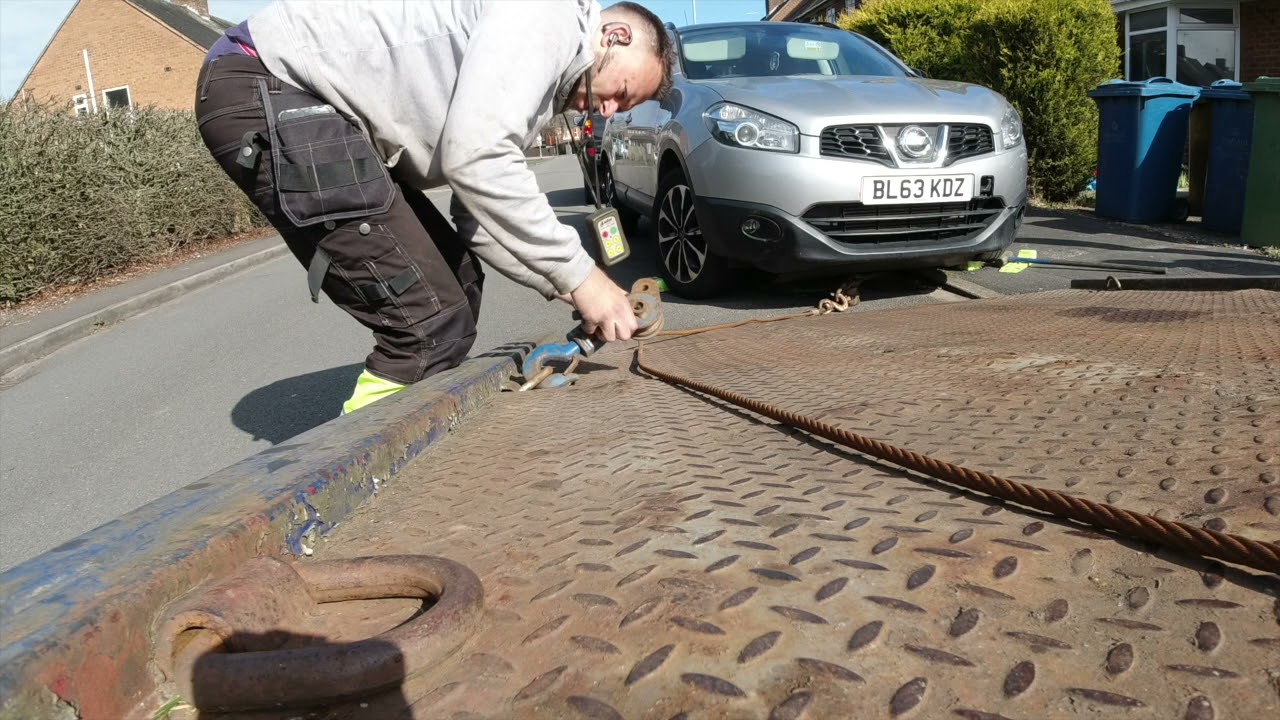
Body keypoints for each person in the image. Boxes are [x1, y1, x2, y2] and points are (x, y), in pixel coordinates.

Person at [195, 1, 674, 413]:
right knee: (427, 320)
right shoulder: (549, 15)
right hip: (263, 80)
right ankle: (360, 474)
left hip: (313, 107)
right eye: (623, 93)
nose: (608, 111)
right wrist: (584, 280)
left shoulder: (539, 88)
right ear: (615, 35)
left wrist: (572, 290)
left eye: (622, 110)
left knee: (458, 284)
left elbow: (477, 217)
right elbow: (478, 160)